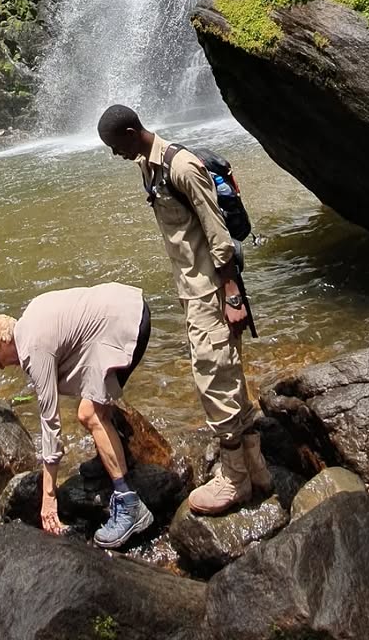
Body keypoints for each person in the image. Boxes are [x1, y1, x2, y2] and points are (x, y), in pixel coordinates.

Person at [96, 105, 271, 515]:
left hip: (212, 292)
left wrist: (231, 297)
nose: (114, 153)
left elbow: (219, 236)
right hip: (193, 291)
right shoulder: (147, 166)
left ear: (130, 130)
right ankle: (258, 470)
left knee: (214, 380)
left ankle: (234, 482)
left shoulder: (182, 167)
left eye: (114, 144)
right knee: (229, 376)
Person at [0, 282, 154, 548]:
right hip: (129, 307)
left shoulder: (34, 349)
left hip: (126, 323)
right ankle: (115, 454)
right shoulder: (31, 316)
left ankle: (129, 504)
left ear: (4, 341)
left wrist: (48, 497)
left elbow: (50, 423)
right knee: (92, 407)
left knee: (90, 414)